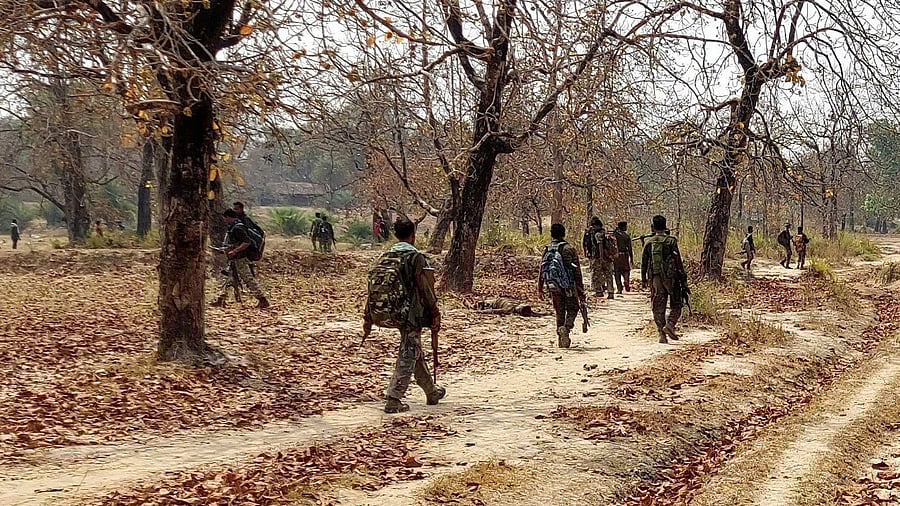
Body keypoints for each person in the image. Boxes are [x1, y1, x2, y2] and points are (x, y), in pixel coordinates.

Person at [364, 218, 445, 413]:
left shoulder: (384, 256)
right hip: (408, 314)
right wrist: (435, 313)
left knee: (413, 347)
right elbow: (425, 288)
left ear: (395, 234)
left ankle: (431, 391)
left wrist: (367, 317)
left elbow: (372, 289)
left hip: (385, 310)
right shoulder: (416, 258)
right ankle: (394, 397)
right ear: (413, 235)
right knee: (408, 351)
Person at [212, 209, 270, 309]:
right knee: (228, 278)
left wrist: (235, 251)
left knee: (248, 278)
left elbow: (246, 242)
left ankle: (262, 299)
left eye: (225, 218)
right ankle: (221, 299)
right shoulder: (235, 226)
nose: (224, 220)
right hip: (235, 258)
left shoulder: (237, 228)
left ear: (228, 217)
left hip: (240, 258)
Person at [540, 223, 586, 348]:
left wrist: (540, 287)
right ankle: (566, 328)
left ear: (551, 234)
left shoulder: (547, 249)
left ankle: (561, 340)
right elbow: (577, 271)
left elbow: (542, 269)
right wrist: (580, 290)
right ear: (564, 233)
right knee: (573, 308)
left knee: (559, 311)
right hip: (569, 285)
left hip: (553, 286)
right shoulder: (569, 249)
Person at [641, 215, 685, 344]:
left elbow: (644, 263)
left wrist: (644, 279)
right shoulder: (671, 241)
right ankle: (670, 324)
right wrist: (683, 276)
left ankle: (662, 334)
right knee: (677, 303)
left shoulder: (649, 242)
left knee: (658, 306)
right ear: (665, 226)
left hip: (655, 278)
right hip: (671, 278)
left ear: (653, 227)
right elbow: (678, 261)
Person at [584, 217, 614, 299]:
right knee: (608, 275)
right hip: (608, 258)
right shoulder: (605, 233)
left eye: (593, 226)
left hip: (599, 258)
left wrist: (601, 257)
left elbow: (600, 245)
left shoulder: (597, 234)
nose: (592, 228)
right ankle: (610, 292)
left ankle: (599, 292)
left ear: (597, 226)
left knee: (596, 275)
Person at [613, 221, 633, 293]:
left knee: (617, 272)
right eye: (626, 226)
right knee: (626, 270)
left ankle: (619, 288)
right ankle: (626, 280)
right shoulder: (626, 236)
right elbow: (630, 248)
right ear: (623, 227)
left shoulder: (614, 235)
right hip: (625, 255)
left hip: (616, 255)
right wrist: (631, 258)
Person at [474, 297, 544, 317]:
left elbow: (495, 311)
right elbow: (495, 310)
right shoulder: (509, 308)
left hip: (506, 302)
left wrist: (480, 312)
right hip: (505, 301)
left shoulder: (509, 308)